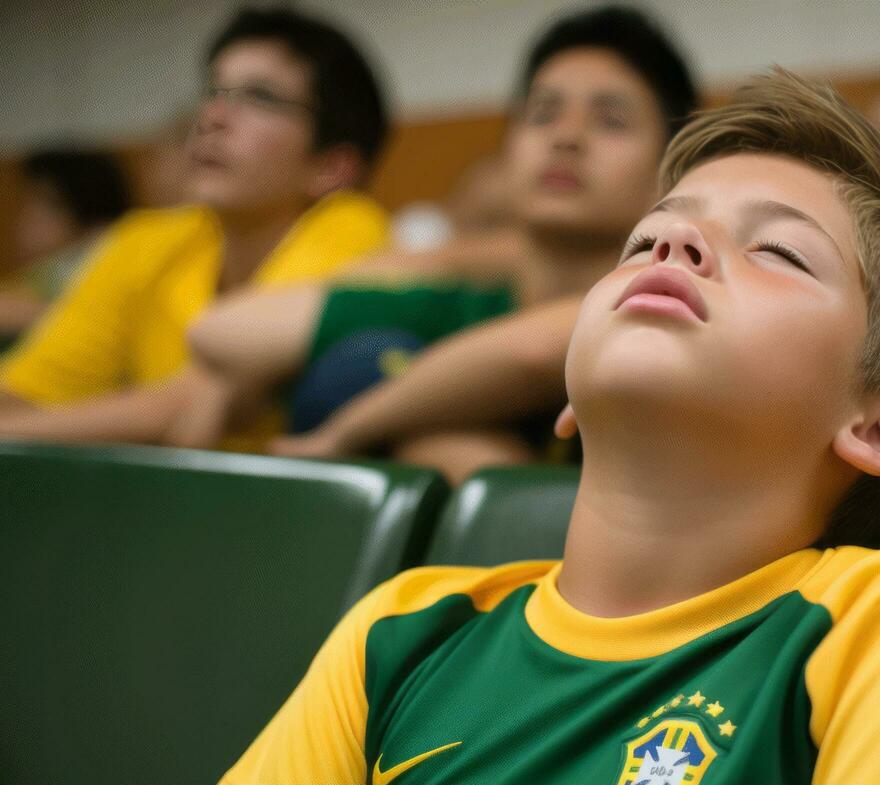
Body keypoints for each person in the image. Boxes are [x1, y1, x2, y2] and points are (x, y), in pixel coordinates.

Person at [157, 70, 880, 785]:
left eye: (777, 251)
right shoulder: (401, 632)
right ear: (567, 393)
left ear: (877, 426)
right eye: (649, 239)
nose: (673, 252)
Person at [176, 5, 698, 481]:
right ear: (504, 154)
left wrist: (349, 432)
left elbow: (534, 352)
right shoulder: (465, 305)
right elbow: (221, 333)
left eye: (612, 121)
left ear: (669, 170)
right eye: (542, 114)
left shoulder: (674, 299)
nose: (566, 137)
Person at [0, 6, 391, 448]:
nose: (212, 117)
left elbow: (189, 404)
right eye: (213, 91)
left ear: (331, 167)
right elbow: (32, 388)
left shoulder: (353, 231)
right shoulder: (147, 239)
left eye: (260, 97)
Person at [0, 148, 131, 339]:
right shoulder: (46, 271)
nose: (25, 214)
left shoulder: (107, 258)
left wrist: (30, 314)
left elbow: (112, 320)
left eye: (40, 203)